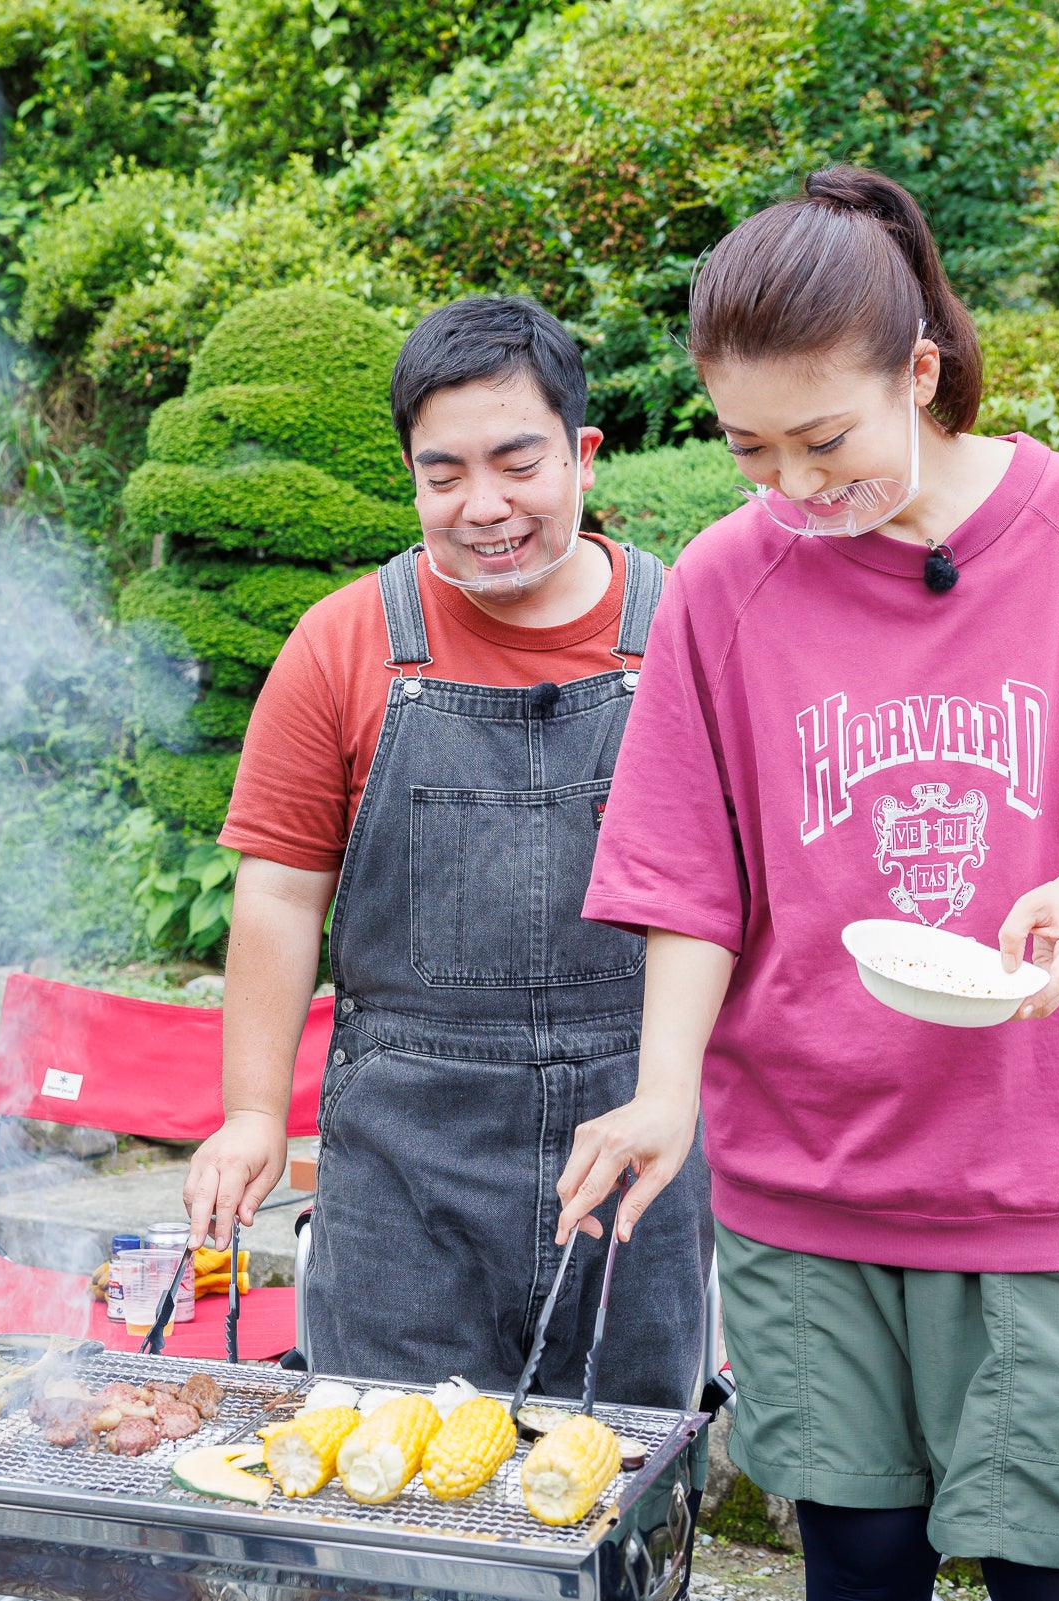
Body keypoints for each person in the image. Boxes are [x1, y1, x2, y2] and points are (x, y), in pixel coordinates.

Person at [552, 168, 1059, 1600]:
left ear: (921, 372)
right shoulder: (731, 581)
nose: (792, 487)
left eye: (825, 439)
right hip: (811, 1176)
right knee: (856, 1574)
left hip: (1044, 1168)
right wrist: (665, 1090)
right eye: (748, 447)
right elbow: (687, 869)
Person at [180, 296, 714, 1407]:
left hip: (631, 1146)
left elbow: (728, 890)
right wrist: (249, 1110)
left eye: (518, 463)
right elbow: (279, 891)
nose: (484, 507)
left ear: (584, 454)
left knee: (614, 1493)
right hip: (405, 1162)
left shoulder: (686, 630)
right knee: (382, 1503)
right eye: (443, 475)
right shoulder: (343, 641)